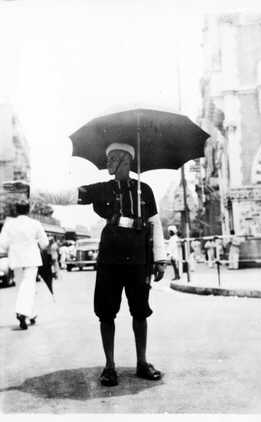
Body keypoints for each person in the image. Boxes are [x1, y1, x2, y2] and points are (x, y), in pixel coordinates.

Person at [72, 142, 166, 387]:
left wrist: (160, 259)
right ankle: (110, 366)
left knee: (140, 310)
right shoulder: (103, 189)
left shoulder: (144, 190)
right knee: (106, 312)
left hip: (138, 257)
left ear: (126, 159)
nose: (108, 163)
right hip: (110, 258)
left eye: (112, 158)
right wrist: (29, 191)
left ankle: (142, 362)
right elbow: (69, 194)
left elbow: (155, 223)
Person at [0, 200, 49, 330]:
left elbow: (2, 244)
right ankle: (22, 312)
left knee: (22, 287)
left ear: (16, 209)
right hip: (31, 258)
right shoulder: (35, 224)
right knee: (29, 286)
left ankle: (31, 314)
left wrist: (13, 246)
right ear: (29, 209)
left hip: (16, 259)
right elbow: (45, 243)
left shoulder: (9, 224)